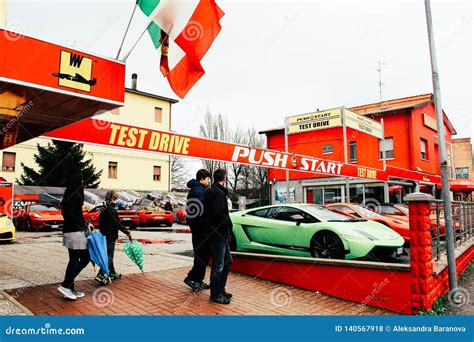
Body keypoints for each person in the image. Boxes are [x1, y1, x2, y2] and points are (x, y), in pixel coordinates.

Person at [58, 173, 93, 300]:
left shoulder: (69, 194)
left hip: (69, 230)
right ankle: (66, 285)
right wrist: (83, 224)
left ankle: (70, 289)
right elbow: (72, 215)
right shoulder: (75, 196)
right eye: (81, 179)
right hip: (75, 232)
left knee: (73, 259)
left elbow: (70, 214)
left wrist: (85, 223)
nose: (83, 181)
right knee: (85, 258)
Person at [204, 169, 233, 304]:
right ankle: (216, 294)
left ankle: (220, 290)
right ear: (224, 179)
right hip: (218, 233)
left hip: (217, 233)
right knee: (219, 264)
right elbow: (219, 214)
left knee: (227, 261)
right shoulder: (218, 193)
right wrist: (229, 223)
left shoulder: (211, 191)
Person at [95, 190, 132, 285]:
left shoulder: (103, 209)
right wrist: (127, 232)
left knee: (108, 254)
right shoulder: (112, 210)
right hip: (110, 236)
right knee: (109, 256)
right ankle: (101, 274)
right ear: (113, 199)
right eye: (116, 199)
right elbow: (117, 224)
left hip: (103, 235)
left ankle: (112, 273)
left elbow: (101, 223)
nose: (117, 202)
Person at [183, 169, 212, 292]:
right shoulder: (198, 191)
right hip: (199, 230)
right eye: (207, 179)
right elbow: (198, 213)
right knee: (201, 255)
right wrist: (203, 228)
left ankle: (198, 280)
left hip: (199, 229)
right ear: (202, 179)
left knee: (203, 255)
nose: (209, 181)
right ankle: (191, 279)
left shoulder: (198, 190)